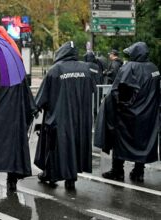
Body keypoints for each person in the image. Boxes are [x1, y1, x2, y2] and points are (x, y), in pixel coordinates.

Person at [94, 42, 160, 182]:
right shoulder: (153, 68)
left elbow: (117, 90)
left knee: (120, 141)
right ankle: (138, 172)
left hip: (128, 114)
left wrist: (119, 105)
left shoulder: (130, 67)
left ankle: (117, 171)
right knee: (142, 142)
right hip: (148, 114)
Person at [34, 41, 95, 190]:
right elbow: (92, 90)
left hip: (59, 118)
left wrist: (34, 109)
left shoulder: (55, 70)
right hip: (81, 118)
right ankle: (71, 178)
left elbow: (42, 96)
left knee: (55, 147)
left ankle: (50, 174)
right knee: (76, 147)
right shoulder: (86, 69)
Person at [0, 79, 37, 193]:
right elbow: (28, 101)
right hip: (13, 119)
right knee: (13, 151)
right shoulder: (16, 74)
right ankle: (12, 182)